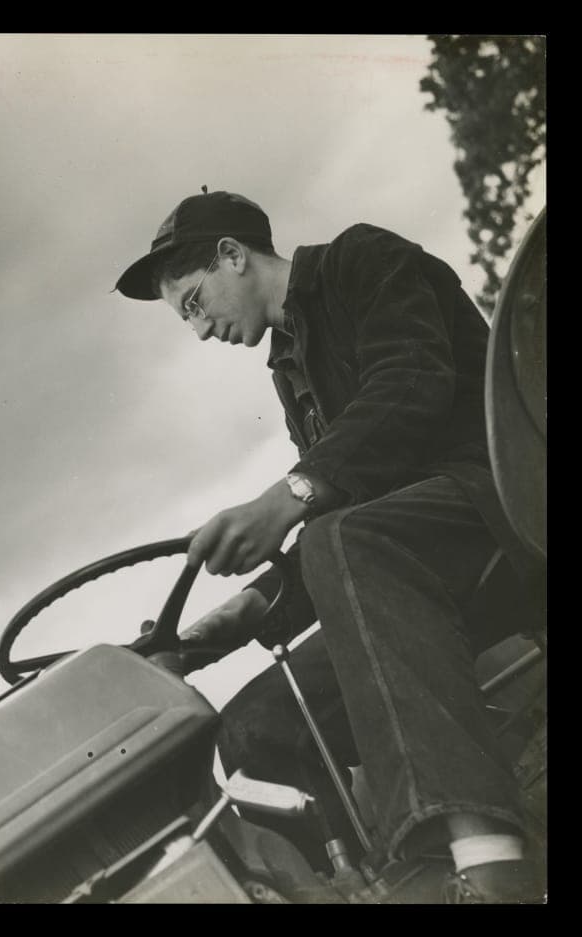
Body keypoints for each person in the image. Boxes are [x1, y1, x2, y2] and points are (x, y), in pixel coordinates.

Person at [114, 189, 545, 903]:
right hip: (415, 570)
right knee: (255, 721)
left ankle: (490, 866)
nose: (197, 331)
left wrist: (289, 495)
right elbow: (330, 521)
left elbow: (412, 385)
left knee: (349, 535)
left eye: (192, 303)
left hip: (503, 508)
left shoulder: (360, 261)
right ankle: (373, 882)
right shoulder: (293, 372)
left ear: (232, 255)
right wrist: (205, 635)